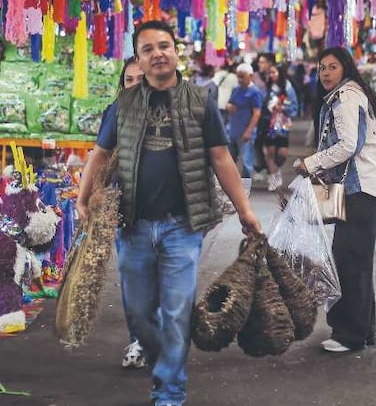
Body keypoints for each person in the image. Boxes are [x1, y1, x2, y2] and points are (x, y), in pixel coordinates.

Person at [76, 21, 262, 406]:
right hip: (133, 226)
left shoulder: (200, 102)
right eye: (148, 49)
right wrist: (83, 197)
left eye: (164, 46)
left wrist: (246, 210)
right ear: (139, 62)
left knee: (176, 312)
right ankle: (165, 362)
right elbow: (102, 154)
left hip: (182, 226)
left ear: (177, 52)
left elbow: (221, 157)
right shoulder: (122, 106)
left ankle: (170, 393)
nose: (158, 53)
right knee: (140, 313)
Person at [293, 47, 376, 353]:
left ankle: (350, 335)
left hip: (363, 190)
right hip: (363, 191)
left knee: (350, 261)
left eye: (332, 67)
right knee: (355, 261)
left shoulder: (347, 96)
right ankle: (365, 330)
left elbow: (349, 144)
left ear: (345, 68)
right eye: (321, 68)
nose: (325, 73)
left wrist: (312, 163)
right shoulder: (347, 94)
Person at [104, 58, 147, 369]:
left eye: (140, 79)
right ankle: (139, 339)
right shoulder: (114, 113)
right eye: (128, 80)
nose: (134, 86)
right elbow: (100, 158)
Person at [261, 65, 298, 190]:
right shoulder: (266, 88)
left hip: (282, 124)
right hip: (268, 123)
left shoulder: (288, 87)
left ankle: (277, 170)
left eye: (273, 72)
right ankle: (273, 176)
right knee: (270, 151)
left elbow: (294, 106)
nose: (271, 75)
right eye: (269, 73)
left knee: (282, 153)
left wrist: (283, 108)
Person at [226, 63, 263, 178]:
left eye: (242, 77)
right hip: (233, 131)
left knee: (247, 162)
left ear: (250, 76)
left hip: (245, 132)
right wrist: (229, 107)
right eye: (238, 76)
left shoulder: (255, 92)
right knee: (229, 161)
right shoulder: (236, 89)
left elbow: (257, 113)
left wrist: (249, 131)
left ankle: (245, 188)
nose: (240, 79)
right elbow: (229, 103)